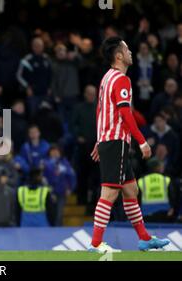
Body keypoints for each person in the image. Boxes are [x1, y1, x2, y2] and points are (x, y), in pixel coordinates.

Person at [89, 37, 169, 253]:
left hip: (108, 139)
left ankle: (144, 238)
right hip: (116, 142)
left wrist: (99, 138)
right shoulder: (122, 80)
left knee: (131, 189)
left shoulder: (107, 78)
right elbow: (126, 114)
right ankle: (96, 244)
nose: (130, 51)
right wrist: (142, 142)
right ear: (118, 56)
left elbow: (100, 111)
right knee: (110, 193)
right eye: (127, 49)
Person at [137, 158, 179, 223]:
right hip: (164, 213)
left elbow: (137, 198)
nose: (162, 167)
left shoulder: (141, 181)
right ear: (157, 167)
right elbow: (172, 196)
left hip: (146, 214)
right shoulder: (166, 179)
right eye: (160, 165)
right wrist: (172, 208)